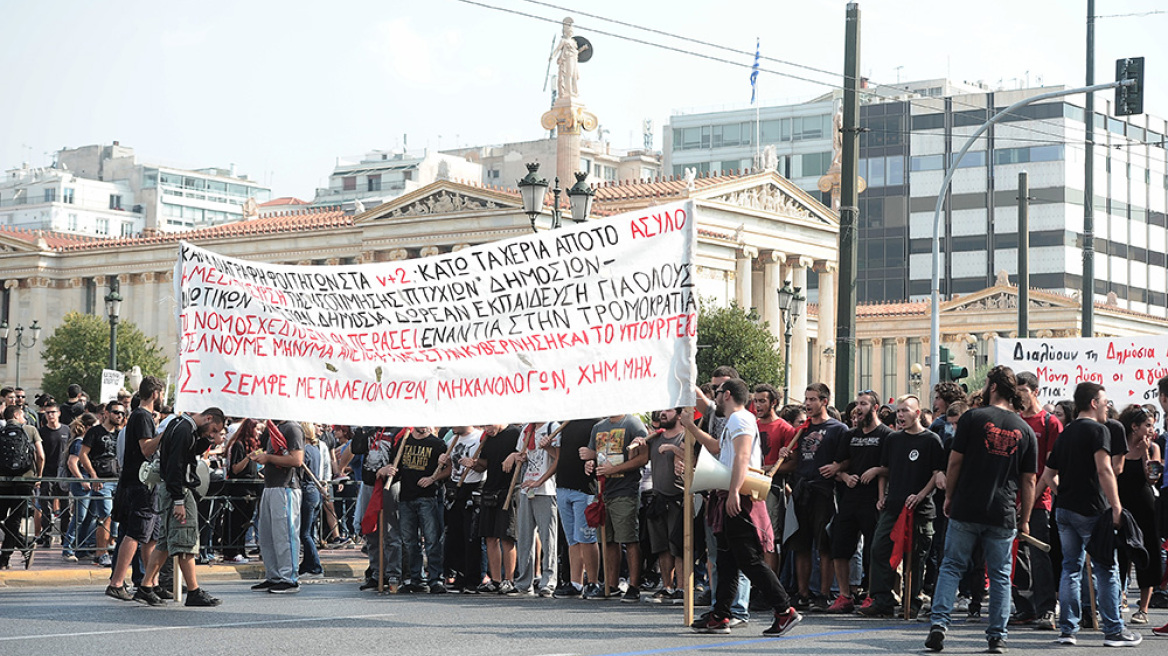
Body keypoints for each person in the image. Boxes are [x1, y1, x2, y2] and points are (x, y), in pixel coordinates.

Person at [925, 366, 1038, 655]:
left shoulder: (973, 418)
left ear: (994, 387)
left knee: (951, 565)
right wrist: (1024, 519)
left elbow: (954, 463)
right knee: (1000, 574)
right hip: (1002, 510)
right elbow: (1029, 480)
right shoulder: (1025, 429)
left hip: (967, 504)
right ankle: (997, 636)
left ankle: (939, 624)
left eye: (987, 383)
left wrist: (949, 496)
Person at [683, 378, 802, 636]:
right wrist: (691, 428)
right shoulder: (736, 420)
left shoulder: (740, 419)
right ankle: (721, 614)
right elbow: (717, 448)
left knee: (748, 559)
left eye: (716, 393)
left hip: (737, 494)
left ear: (726, 394)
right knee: (726, 559)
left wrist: (734, 492)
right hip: (730, 491)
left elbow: (742, 456)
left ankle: (785, 611)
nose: (714, 397)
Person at [1041, 382, 1142, 647]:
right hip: (1092, 509)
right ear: (1094, 403)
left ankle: (1068, 631)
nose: (1107, 406)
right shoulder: (1098, 430)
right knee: (1106, 568)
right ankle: (1113, 631)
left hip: (1064, 509)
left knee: (1070, 568)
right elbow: (1105, 470)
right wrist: (1117, 506)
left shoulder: (1066, 432)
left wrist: (1064, 492)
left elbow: (1049, 475)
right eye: (1105, 401)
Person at [859, 395, 945, 619]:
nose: (900, 415)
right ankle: (882, 599)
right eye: (898, 411)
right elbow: (884, 469)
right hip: (893, 506)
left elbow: (937, 474)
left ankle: (913, 600)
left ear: (917, 413)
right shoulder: (893, 440)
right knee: (879, 548)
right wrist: (881, 496)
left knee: (916, 556)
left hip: (920, 509)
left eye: (905, 410)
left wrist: (921, 495)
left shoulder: (931, 440)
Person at [137, 408, 226, 607]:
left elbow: (187, 453)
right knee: (185, 542)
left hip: (174, 490)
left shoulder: (180, 425)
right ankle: (193, 591)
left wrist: (207, 441)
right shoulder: (184, 429)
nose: (212, 434)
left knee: (166, 543)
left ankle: (145, 587)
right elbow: (176, 465)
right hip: (180, 492)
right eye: (212, 429)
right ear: (208, 418)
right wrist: (179, 500)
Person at [778, 383, 848, 611]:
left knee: (824, 545)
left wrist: (837, 466)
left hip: (824, 491)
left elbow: (848, 458)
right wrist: (785, 453)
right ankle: (803, 593)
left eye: (813, 399)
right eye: (806, 399)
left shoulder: (838, 429)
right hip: (802, 489)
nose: (808, 404)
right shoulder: (802, 429)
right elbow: (795, 457)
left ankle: (824, 594)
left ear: (824, 401)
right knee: (801, 544)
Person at [827, 390, 891, 613]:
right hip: (849, 498)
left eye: (863, 404)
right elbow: (838, 466)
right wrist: (845, 476)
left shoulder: (886, 435)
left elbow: (891, 468)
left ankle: (873, 594)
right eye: (856, 404)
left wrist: (875, 471)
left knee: (874, 549)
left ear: (875, 407)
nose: (858, 408)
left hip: (872, 499)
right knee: (839, 547)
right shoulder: (850, 435)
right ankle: (845, 596)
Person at [1008, 371, 1062, 630]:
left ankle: (1046, 609)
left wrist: (1029, 499)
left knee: (1040, 556)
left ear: (1035, 391)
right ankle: (1024, 607)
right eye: (1015, 393)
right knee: (1015, 556)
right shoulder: (1015, 422)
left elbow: (1051, 469)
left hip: (1040, 500)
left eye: (1023, 392)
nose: (1019, 397)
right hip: (1011, 498)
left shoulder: (1050, 423)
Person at [108, 376, 165, 601]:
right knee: (135, 533)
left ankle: (149, 583)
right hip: (141, 484)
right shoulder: (142, 416)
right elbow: (146, 449)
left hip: (144, 484)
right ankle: (117, 582)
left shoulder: (141, 416)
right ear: (155, 394)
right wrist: (163, 434)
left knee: (151, 537)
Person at [583, 413, 649, 601]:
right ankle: (611, 585)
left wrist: (614, 469)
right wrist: (589, 463)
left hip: (625, 489)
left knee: (628, 538)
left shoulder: (633, 423)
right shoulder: (598, 427)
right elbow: (594, 454)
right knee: (608, 540)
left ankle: (634, 586)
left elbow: (643, 458)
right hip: (604, 490)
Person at [1115, 405, 1161, 626]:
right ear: (1134, 426)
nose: (1152, 429)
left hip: (1144, 505)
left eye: (1152, 425)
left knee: (1148, 554)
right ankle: (1117, 600)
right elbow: (1117, 471)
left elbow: (1152, 478)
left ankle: (1142, 608)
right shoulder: (1119, 445)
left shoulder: (1152, 447)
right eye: (1147, 425)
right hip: (1122, 505)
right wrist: (1127, 449)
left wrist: (1144, 452)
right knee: (1120, 553)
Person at [250, 420, 305, 594]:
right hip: (271, 485)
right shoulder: (274, 428)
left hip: (286, 486)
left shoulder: (292, 427)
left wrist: (268, 458)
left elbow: (297, 459)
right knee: (268, 535)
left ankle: (289, 577)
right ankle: (274, 575)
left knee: (285, 534)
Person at [394, 425, 448, 593]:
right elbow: (395, 468)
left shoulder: (438, 444)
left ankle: (435, 579)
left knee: (432, 540)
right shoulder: (403, 442)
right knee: (410, 541)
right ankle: (415, 578)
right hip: (406, 497)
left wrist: (433, 478)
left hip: (428, 497)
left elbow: (449, 470)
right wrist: (387, 470)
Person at [551, 418, 601, 598]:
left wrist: (593, 455)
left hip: (584, 488)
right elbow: (560, 455)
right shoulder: (565, 423)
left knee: (586, 537)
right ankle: (575, 583)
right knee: (572, 539)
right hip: (563, 485)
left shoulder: (597, 423)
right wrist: (548, 446)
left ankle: (593, 582)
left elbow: (606, 450)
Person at [510, 421, 559, 597]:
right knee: (524, 537)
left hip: (546, 490)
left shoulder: (552, 427)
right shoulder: (527, 429)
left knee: (548, 538)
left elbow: (558, 458)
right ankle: (524, 583)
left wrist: (540, 481)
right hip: (526, 487)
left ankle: (549, 582)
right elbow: (523, 453)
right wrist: (518, 458)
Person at [644, 409, 687, 603]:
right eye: (662, 410)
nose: (663, 413)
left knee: (679, 545)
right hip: (658, 496)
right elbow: (640, 457)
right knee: (662, 546)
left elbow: (692, 458)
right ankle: (667, 587)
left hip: (679, 497)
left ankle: (682, 588)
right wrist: (639, 442)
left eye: (668, 410)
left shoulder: (686, 436)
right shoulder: (654, 438)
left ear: (679, 415)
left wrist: (673, 449)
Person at [753, 384, 796, 573]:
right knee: (753, 537)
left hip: (772, 487)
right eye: (755, 401)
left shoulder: (785, 428)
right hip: (750, 484)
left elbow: (793, 464)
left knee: (769, 538)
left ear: (774, 403)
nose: (758, 405)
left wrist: (771, 469)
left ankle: (770, 587)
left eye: (762, 401)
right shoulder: (752, 426)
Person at [77, 400, 124, 567]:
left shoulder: (121, 434)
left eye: (122, 413)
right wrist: (93, 475)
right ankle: (101, 551)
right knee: (105, 515)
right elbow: (83, 455)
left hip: (119, 479)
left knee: (116, 517)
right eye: (117, 412)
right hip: (102, 480)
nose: (120, 416)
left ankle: (106, 550)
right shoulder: (95, 432)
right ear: (107, 413)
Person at [440, 425, 484, 593]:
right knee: (455, 535)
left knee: (471, 536)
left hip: (473, 487)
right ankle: (460, 575)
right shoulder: (453, 439)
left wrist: (474, 464)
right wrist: (443, 462)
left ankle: (473, 578)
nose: (453, 426)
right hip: (456, 488)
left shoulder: (480, 438)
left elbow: (484, 465)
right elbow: (450, 468)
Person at [477, 423, 521, 594]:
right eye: (484, 425)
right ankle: (495, 579)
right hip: (490, 488)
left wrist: (513, 455)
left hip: (509, 488)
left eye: (490, 424)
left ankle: (509, 579)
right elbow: (485, 463)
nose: (487, 428)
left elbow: (527, 452)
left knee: (506, 536)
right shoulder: (488, 438)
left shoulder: (515, 432)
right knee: (489, 536)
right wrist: (473, 463)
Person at [0, 404, 43, 569]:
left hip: (3, 481)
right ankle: (22, 545)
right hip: (25, 480)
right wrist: (38, 475)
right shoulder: (30, 430)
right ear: (17, 415)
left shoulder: (1, 431)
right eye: (23, 415)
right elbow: (41, 455)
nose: (25, 418)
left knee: (5, 518)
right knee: (14, 520)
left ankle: (5, 558)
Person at [222, 418, 263, 564]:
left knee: (246, 522)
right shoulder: (239, 445)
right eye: (256, 429)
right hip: (240, 489)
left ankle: (241, 549)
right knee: (236, 521)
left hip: (251, 488)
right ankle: (231, 551)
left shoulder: (252, 446)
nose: (258, 433)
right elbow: (235, 469)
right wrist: (248, 458)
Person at [298, 422, 328, 579]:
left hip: (308, 491)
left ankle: (316, 566)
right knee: (308, 531)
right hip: (315, 492)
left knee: (305, 533)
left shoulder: (305, 451)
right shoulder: (315, 449)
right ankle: (307, 564)